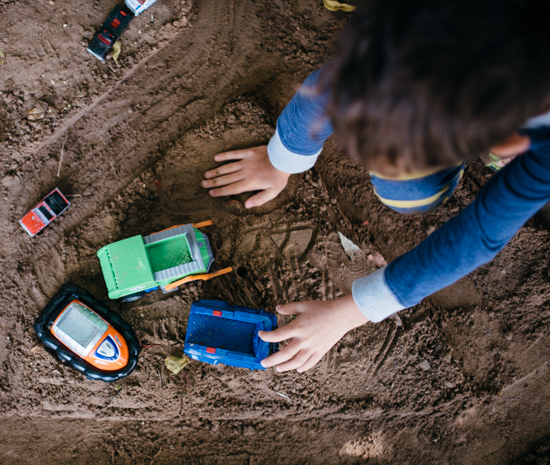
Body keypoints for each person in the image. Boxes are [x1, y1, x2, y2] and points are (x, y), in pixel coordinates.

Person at [201, 0, 550, 372]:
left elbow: (479, 235)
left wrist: (351, 311)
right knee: (402, 179)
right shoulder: (419, 37)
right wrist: (281, 159)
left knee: (411, 191)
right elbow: (332, 85)